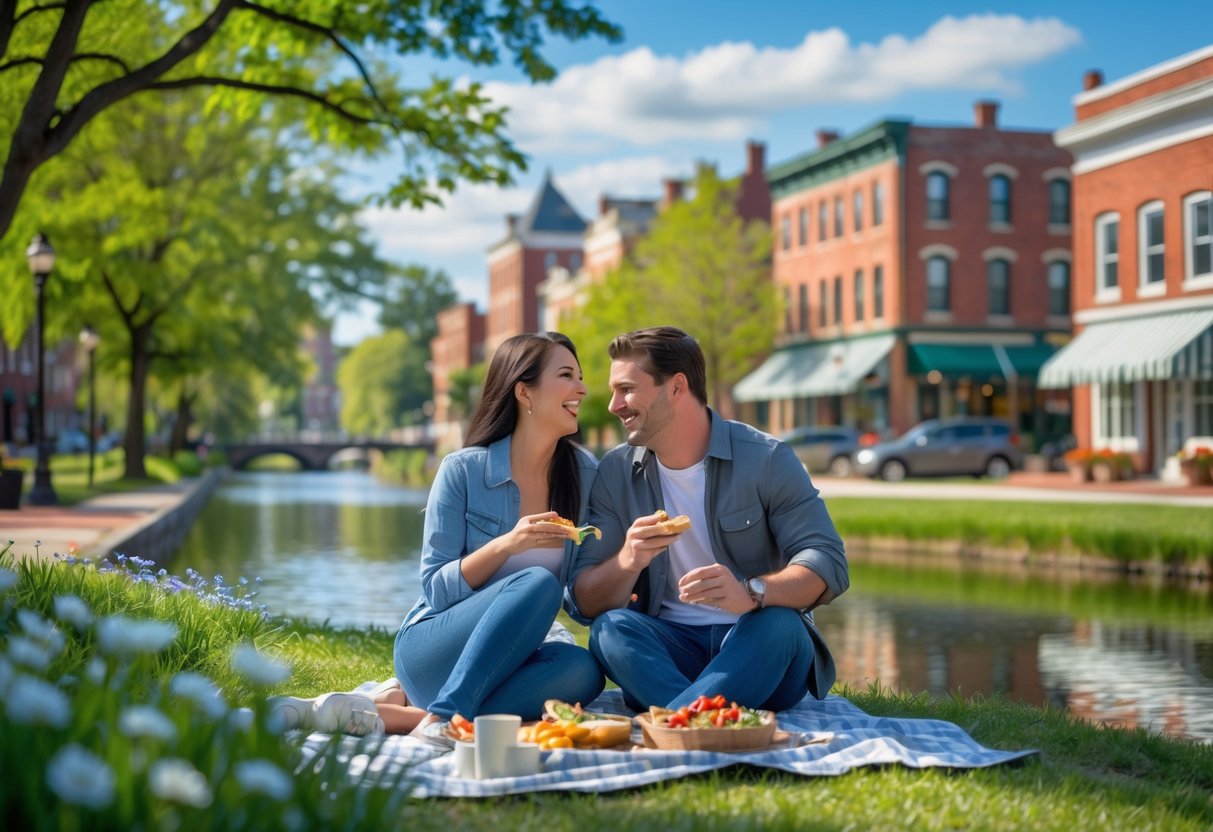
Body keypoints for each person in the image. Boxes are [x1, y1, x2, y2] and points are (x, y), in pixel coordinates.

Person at [570, 326, 848, 713]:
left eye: (627, 389)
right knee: (610, 630)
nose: (615, 404)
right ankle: (699, 721)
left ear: (677, 387)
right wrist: (627, 561)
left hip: (758, 647)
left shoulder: (766, 459)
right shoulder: (615, 472)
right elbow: (584, 600)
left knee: (782, 626)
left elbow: (828, 562)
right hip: (672, 649)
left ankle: (673, 718)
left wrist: (750, 593)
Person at [395, 331, 605, 743]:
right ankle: (444, 715)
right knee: (538, 582)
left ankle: (429, 719)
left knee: (584, 671)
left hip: (506, 663)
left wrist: (628, 566)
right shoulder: (463, 471)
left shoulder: (585, 474)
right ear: (524, 392)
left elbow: (576, 605)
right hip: (432, 649)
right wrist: (507, 544)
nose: (581, 388)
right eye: (566, 375)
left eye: (580, 376)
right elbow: (436, 590)